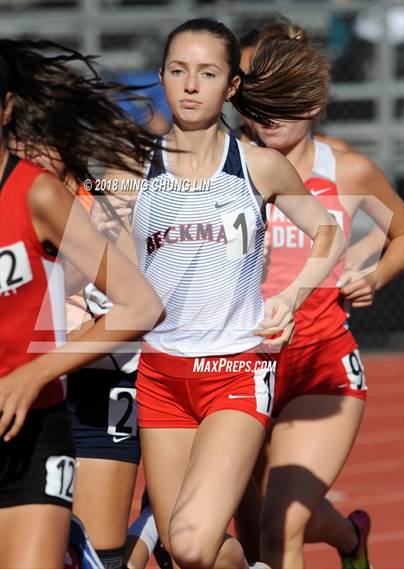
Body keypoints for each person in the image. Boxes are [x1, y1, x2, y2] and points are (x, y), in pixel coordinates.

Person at [121, 17, 346, 569]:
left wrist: (290, 297)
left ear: (232, 86)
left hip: (236, 371)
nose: (191, 85)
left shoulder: (257, 166)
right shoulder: (129, 169)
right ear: (161, 77)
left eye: (207, 73)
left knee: (194, 541)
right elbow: (89, 222)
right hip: (160, 376)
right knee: (181, 550)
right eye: (178, 71)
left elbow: (329, 232)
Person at [236, 19, 404, 569]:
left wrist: (372, 272)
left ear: (313, 102)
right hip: (237, 366)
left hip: (319, 365)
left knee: (280, 525)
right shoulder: (223, 168)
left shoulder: (348, 171)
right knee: (253, 530)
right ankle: (350, 538)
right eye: (258, 99)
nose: (269, 115)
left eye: (284, 101)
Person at [0, 39, 163, 569]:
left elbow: (142, 301)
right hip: (68, 374)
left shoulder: (71, 192)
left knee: (126, 550)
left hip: (80, 390)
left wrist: (36, 370)